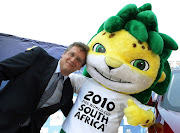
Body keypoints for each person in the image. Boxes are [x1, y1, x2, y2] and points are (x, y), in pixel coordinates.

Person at [0, 42, 89, 133]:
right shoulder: (38, 57)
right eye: (71, 54)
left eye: (78, 59)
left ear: (80, 67)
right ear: (64, 54)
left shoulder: (68, 89)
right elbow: (2, 69)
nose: (73, 60)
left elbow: (73, 115)